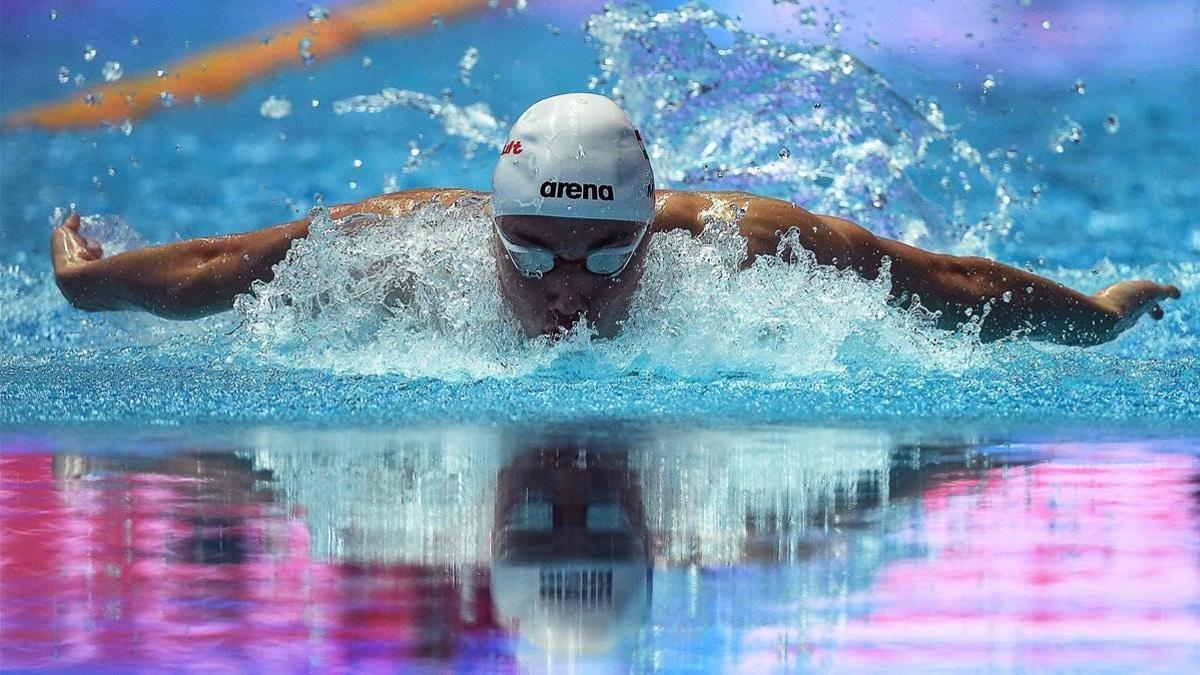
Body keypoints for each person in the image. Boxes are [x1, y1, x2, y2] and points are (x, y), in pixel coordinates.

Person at [51, 93, 1179, 345]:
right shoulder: (411, 243)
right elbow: (229, 262)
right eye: (532, 248)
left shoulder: (739, 244)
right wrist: (89, 282)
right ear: (490, 226)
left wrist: (1103, 315)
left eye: (607, 252)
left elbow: (950, 286)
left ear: (654, 232)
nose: (569, 288)